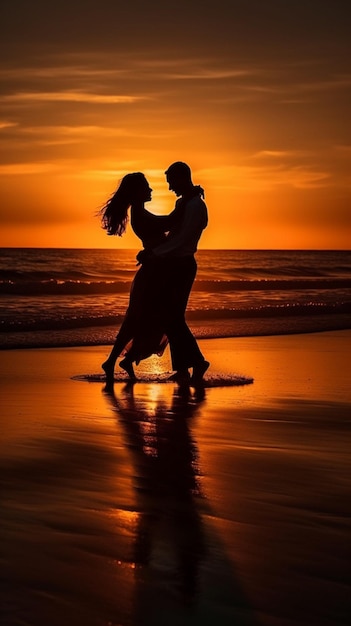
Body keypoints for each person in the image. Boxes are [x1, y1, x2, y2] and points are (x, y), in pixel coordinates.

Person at [99, 172, 180, 385]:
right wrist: (186, 202)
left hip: (155, 273)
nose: (151, 190)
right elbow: (169, 222)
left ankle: (121, 360)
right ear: (137, 192)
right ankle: (113, 361)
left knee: (143, 320)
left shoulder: (141, 214)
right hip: (152, 275)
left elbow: (165, 228)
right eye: (147, 187)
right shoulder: (141, 216)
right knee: (140, 320)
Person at [136, 162, 209, 386]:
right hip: (173, 264)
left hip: (182, 265)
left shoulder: (195, 205)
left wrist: (154, 253)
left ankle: (197, 362)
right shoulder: (185, 202)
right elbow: (171, 230)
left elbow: (182, 239)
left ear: (181, 178)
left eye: (171, 182)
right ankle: (183, 369)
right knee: (171, 317)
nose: (169, 188)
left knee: (172, 317)